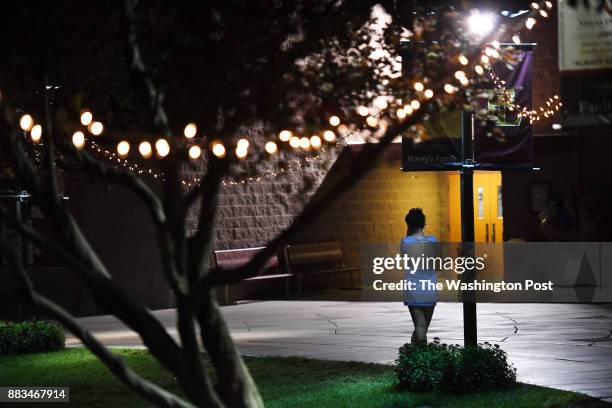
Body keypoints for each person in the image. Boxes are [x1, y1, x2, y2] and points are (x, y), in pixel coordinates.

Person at [401, 208, 437, 344]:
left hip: (413, 288)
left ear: (409, 225)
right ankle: (417, 357)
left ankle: (415, 356)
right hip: (429, 288)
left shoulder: (406, 242)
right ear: (424, 224)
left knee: (420, 326)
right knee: (423, 327)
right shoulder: (433, 241)